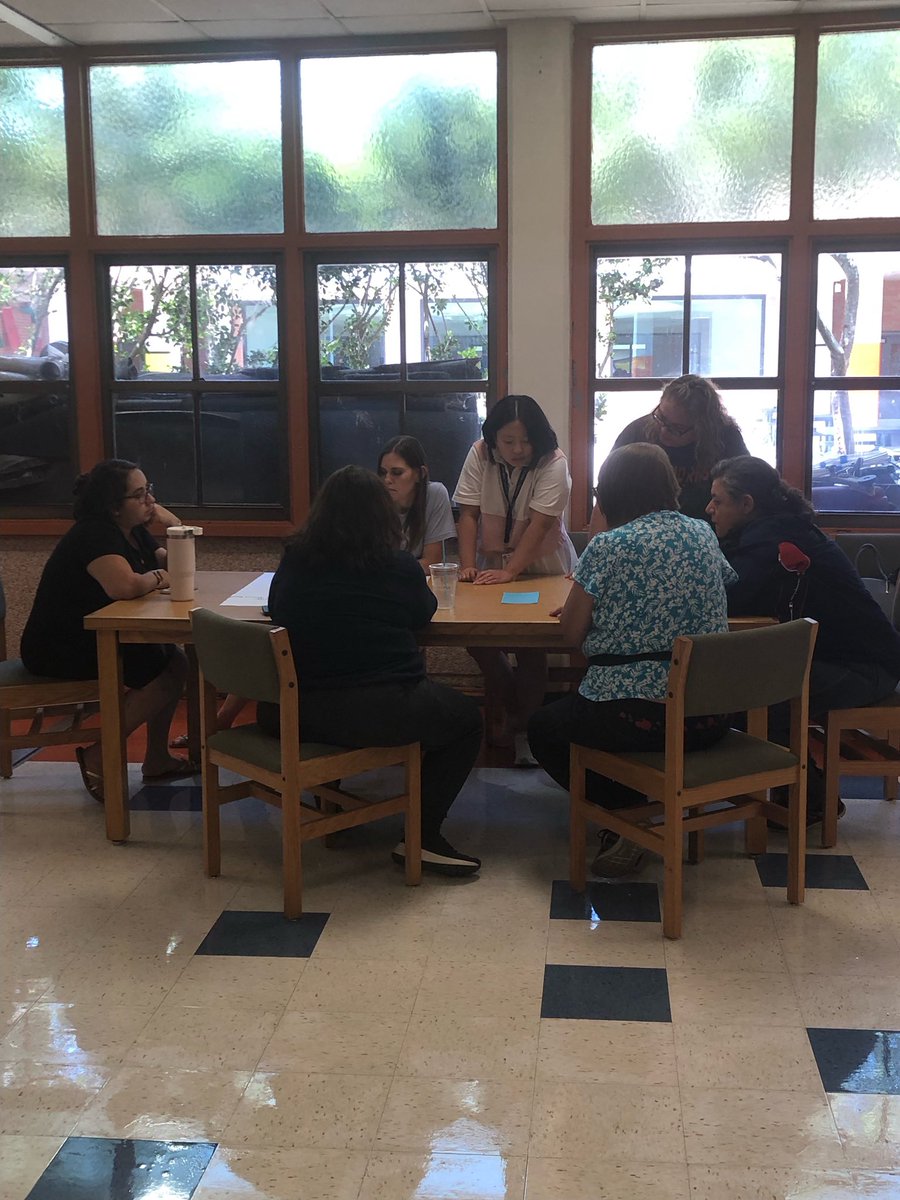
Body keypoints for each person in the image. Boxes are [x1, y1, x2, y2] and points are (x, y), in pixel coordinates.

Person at [261, 465, 483, 876]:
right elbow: (424, 611)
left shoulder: (295, 558)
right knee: (467, 720)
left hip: (296, 711)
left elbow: (278, 610)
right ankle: (422, 836)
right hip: (383, 708)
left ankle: (336, 811)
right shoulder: (395, 565)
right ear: (382, 516)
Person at [527, 443, 736, 876]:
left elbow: (571, 635)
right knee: (575, 716)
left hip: (631, 715)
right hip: (706, 714)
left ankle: (625, 815)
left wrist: (580, 605)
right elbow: (717, 586)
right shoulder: (702, 532)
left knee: (546, 726)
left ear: (611, 494)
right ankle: (639, 810)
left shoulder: (609, 546)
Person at [707, 455, 900, 818]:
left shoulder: (774, 543)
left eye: (718, 500)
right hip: (851, 659)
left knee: (761, 692)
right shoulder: (777, 530)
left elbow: (728, 595)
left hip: (866, 669)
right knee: (751, 686)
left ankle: (811, 802)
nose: (709, 508)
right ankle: (783, 789)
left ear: (747, 504)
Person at [20, 459, 196, 803]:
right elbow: (124, 586)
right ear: (114, 507)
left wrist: (175, 524)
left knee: (175, 662)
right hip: (59, 646)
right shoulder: (94, 534)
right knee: (164, 672)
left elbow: (179, 566)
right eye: (140, 494)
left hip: (95, 636)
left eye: (149, 491)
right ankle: (100, 753)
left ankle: (156, 758)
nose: (150, 501)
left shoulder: (134, 532)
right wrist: (160, 578)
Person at [453, 394, 577, 766]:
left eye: (525, 441)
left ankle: (521, 726)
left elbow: (540, 525)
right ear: (494, 438)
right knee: (476, 638)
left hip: (541, 565)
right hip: (490, 564)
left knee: (530, 644)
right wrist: (465, 566)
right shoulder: (479, 453)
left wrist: (512, 571)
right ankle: (510, 706)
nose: (518, 449)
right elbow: (469, 513)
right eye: (508, 441)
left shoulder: (554, 462)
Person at [612, 374, 749, 519]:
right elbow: (607, 496)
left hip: (709, 532)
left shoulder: (727, 439)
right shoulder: (636, 433)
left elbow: (742, 497)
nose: (663, 430)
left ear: (702, 428)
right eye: (661, 417)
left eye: (676, 428)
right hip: (641, 532)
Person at [377, 435, 456, 570]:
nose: (387, 480)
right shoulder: (373, 498)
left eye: (397, 472)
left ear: (420, 473)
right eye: (383, 472)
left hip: (410, 578)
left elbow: (432, 561)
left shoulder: (435, 494)